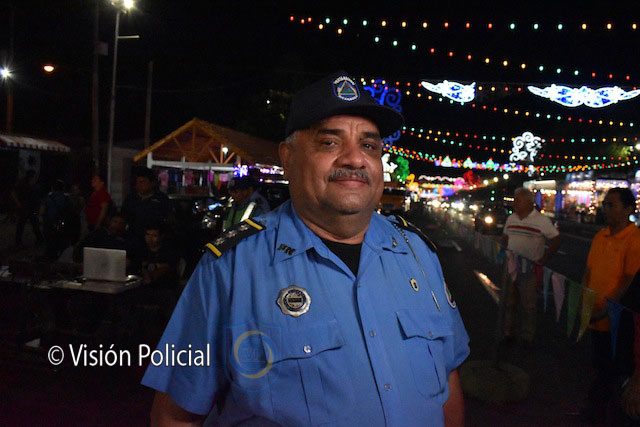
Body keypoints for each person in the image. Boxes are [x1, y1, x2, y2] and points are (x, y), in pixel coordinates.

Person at [142, 71, 470, 426]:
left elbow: (447, 383)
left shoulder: (419, 256)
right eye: (329, 143)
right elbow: (175, 415)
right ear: (288, 157)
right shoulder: (230, 268)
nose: (354, 159)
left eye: (369, 146)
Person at [581, 188, 640, 422]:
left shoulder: (634, 239)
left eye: (611, 205)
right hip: (595, 315)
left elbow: (629, 281)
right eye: (604, 204)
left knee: (614, 369)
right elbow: (589, 271)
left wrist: (608, 309)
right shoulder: (601, 235)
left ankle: (605, 412)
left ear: (628, 209)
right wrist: (585, 302)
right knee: (598, 363)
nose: (605, 209)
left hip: (617, 319)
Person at [502, 187, 561, 345]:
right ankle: (508, 332)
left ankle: (528, 336)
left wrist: (545, 258)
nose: (515, 203)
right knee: (509, 302)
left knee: (529, 305)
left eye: (518, 201)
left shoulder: (542, 220)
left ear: (529, 202)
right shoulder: (511, 218)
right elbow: (505, 236)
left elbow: (556, 239)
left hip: (530, 269)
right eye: (515, 200)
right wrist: (506, 251)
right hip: (511, 266)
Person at [121, 167, 173, 239]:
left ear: (152, 183)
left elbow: (168, 219)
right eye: (137, 182)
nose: (139, 185)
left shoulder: (161, 199)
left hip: (153, 239)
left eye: (142, 182)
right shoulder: (131, 198)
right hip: (133, 237)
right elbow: (124, 217)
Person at [40, 179, 75, 260]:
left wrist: (41, 218)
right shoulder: (66, 198)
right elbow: (71, 210)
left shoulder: (48, 197)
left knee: (49, 240)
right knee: (61, 240)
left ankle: (50, 256)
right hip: (62, 222)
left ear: (52, 188)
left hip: (49, 222)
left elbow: (42, 210)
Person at [11, 170, 44, 246]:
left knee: (34, 224)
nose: (35, 178)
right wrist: (18, 203)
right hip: (24, 207)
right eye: (34, 176)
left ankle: (40, 239)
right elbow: (13, 192)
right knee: (22, 224)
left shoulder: (34, 184)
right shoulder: (22, 184)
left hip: (31, 207)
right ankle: (18, 241)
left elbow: (37, 197)